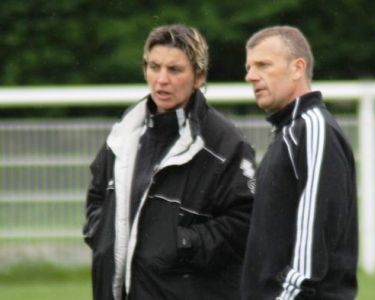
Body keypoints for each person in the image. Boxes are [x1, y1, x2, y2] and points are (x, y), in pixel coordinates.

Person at [83, 24, 256, 300]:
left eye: (174, 70)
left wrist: (182, 244)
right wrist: (101, 234)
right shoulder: (124, 133)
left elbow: (245, 223)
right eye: (154, 67)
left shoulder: (226, 145)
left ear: (199, 77)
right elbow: (97, 195)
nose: (161, 79)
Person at [241, 25, 358, 300]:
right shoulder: (290, 131)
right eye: (248, 67)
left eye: (263, 65)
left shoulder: (313, 129)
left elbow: (312, 255)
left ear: (297, 68)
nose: (250, 76)